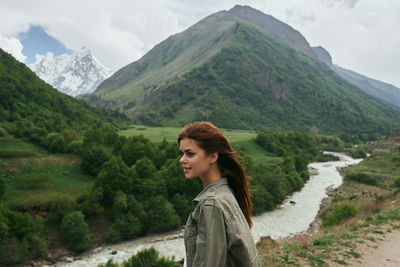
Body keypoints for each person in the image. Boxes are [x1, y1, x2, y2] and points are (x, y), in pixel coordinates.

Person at [178, 122, 262, 267]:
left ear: (212, 156)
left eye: (189, 154)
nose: (182, 160)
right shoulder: (225, 192)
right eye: (182, 153)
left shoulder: (211, 204)